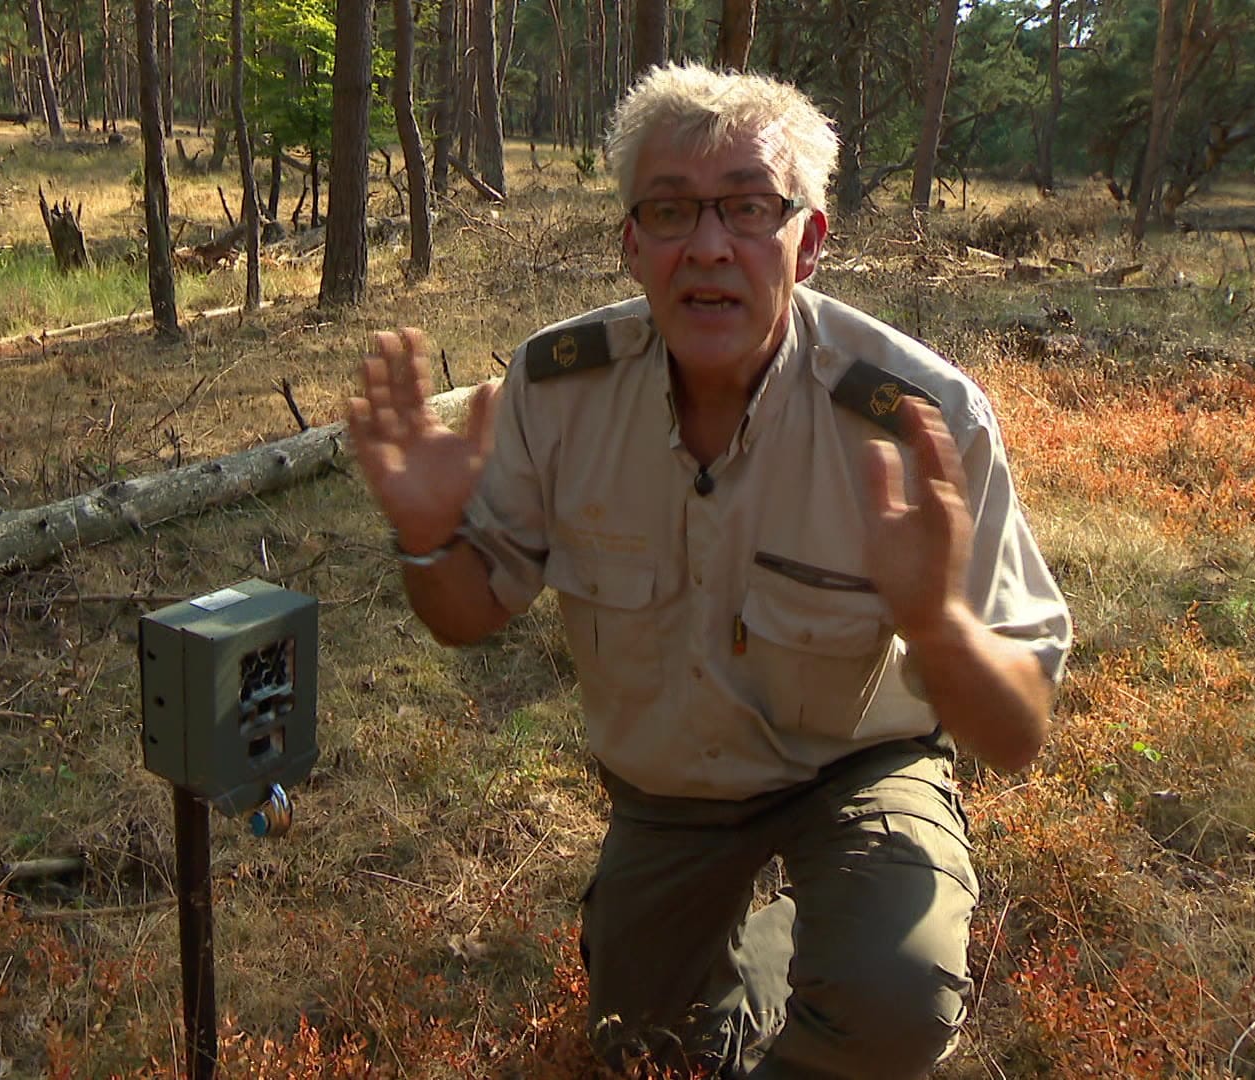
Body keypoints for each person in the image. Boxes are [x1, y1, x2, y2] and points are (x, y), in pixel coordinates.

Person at [345, 63, 1071, 1080]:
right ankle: (771, 943)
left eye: (747, 207)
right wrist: (428, 536)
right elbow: (467, 614)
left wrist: (939, 627)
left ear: (808, 242)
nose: (709, 246)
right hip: (670, 788)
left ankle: (841, 941)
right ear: (631, 242)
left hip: (856, 765)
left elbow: (1017, 732)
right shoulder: (562, 392)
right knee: (643, 1050)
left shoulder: (919, 422)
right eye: (672, 211)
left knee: (889, 1004)